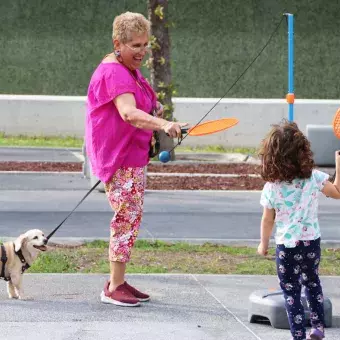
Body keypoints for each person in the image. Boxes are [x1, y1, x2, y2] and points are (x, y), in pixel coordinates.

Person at [85, 11, 188, 307]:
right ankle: (113, 288)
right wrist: (163, 125)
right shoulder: (114, 72)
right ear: (118, 43)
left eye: (146, 45)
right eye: (136, 46)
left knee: (130, 218)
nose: (143, 52)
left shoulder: (128, 68)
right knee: (125, 219)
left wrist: (159, 117)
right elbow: (128, 113)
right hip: (119, 158)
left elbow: (144, 105)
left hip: (132, 156)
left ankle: (118, 281)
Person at [256, 119, 340, 340]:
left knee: (291, 291)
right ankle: (318, 327)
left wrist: (263, 244)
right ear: (303, 152)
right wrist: (338, 165)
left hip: (287, 247)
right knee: (312, 282)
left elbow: (267, 220)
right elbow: (338, 192)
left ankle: (298, 335)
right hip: (311, 242)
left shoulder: (271, 188)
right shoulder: (314, 178)